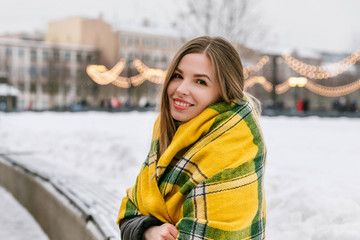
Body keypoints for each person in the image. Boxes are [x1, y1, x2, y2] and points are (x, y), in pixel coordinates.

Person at [117, 36, 267, 240]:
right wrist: (150, 231)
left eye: (200, 81)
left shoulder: (232, 149)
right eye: (178, 76)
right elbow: (129, 211)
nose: (181, 89)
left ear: (224, 93)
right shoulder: (170, 135)